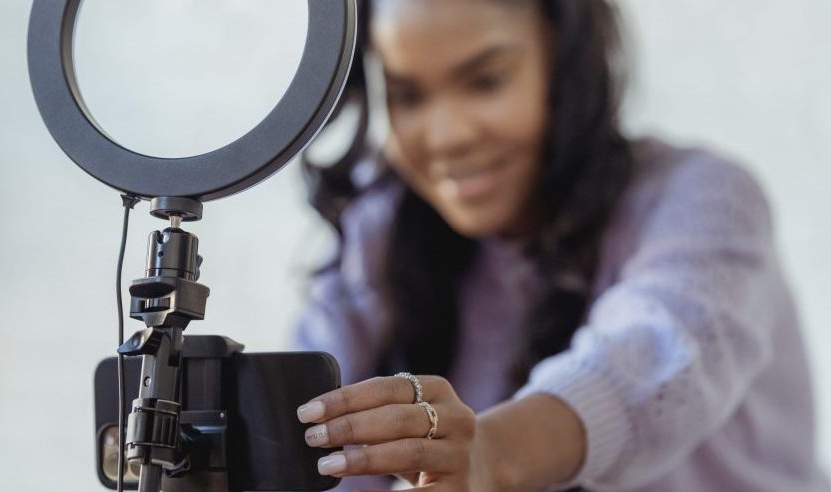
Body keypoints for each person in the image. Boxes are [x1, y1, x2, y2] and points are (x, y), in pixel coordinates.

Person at [292, 0, 830, 491]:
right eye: (407, 96)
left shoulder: (704, 200)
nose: (447, 134)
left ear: (564, 66)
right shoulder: (379, 232)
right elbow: (314, 436)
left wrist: (488, 455)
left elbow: (646, 361)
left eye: (485, 81)